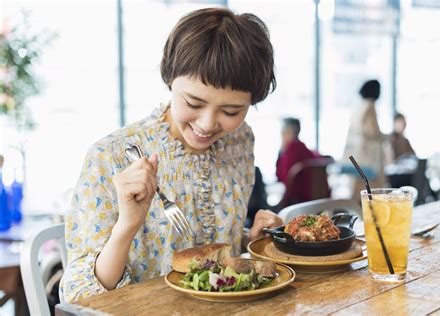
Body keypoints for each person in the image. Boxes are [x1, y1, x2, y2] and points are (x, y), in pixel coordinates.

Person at [59, 8, 283, 303]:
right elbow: (79, 296)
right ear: (169, 78)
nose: (207, 124)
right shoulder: (109, 156)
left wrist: (250, 240)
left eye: (231, 111)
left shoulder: (240, 139)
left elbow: (210, 241)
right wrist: (128, 225)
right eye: (193, 102)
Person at [342, 79, 391, 200]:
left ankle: (354, 215)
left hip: (356, 156)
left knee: (357, 191)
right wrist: (387, 137)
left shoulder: (359, 105)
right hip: (368, 158)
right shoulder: (370, 106)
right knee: (371, 193)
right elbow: (373, 131)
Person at [276, 118, 329, 206]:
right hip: (315, 197)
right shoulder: (303, 147)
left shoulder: (291, 149)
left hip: (297, 200)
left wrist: (281, 152)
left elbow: (282, 177)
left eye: (283, 133)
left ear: (289, 133)